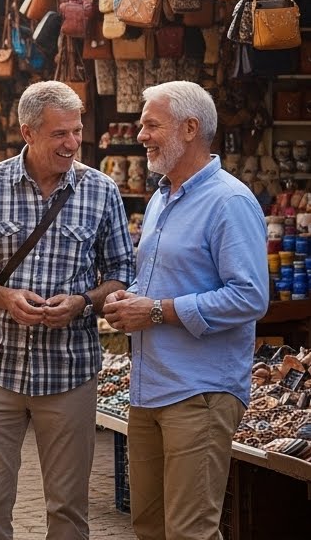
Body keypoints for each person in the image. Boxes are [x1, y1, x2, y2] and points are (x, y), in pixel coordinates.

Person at [0, 80, 136, 540]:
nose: (72, 143)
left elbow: (121, 271)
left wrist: (83, 303)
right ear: (28, 132)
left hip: (70, 371)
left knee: (69, 511)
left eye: (76, 132)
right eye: (59, 134)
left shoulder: (100, 190)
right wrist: (5, 297)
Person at [101, 81, 267, 540]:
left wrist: (155, 311)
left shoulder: (229, 201)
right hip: (149, 388)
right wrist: (128, 298)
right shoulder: (161, 197)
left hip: (199, 393)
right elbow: (159, 283)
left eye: (151, 124)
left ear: (191, 128)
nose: (141, 135)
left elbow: (250, 296)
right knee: (149, 527)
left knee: (190, 532)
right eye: (141, 125)